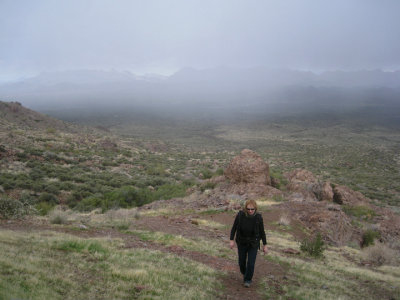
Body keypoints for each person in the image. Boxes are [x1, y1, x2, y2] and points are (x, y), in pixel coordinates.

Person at [229, 199, 268, 288]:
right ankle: (245, 273)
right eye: (248, 209)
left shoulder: (258, 217)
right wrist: (231, 240)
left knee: (251, 263)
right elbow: (234, 228)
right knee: (241, 262)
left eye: (252, 209)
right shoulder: (240, 215)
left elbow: (262, 232)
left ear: (255, 209)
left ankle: (247, 280)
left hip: (253, 243)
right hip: (242, 242)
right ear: (245, 208)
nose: (250, 211)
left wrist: (265, 245)